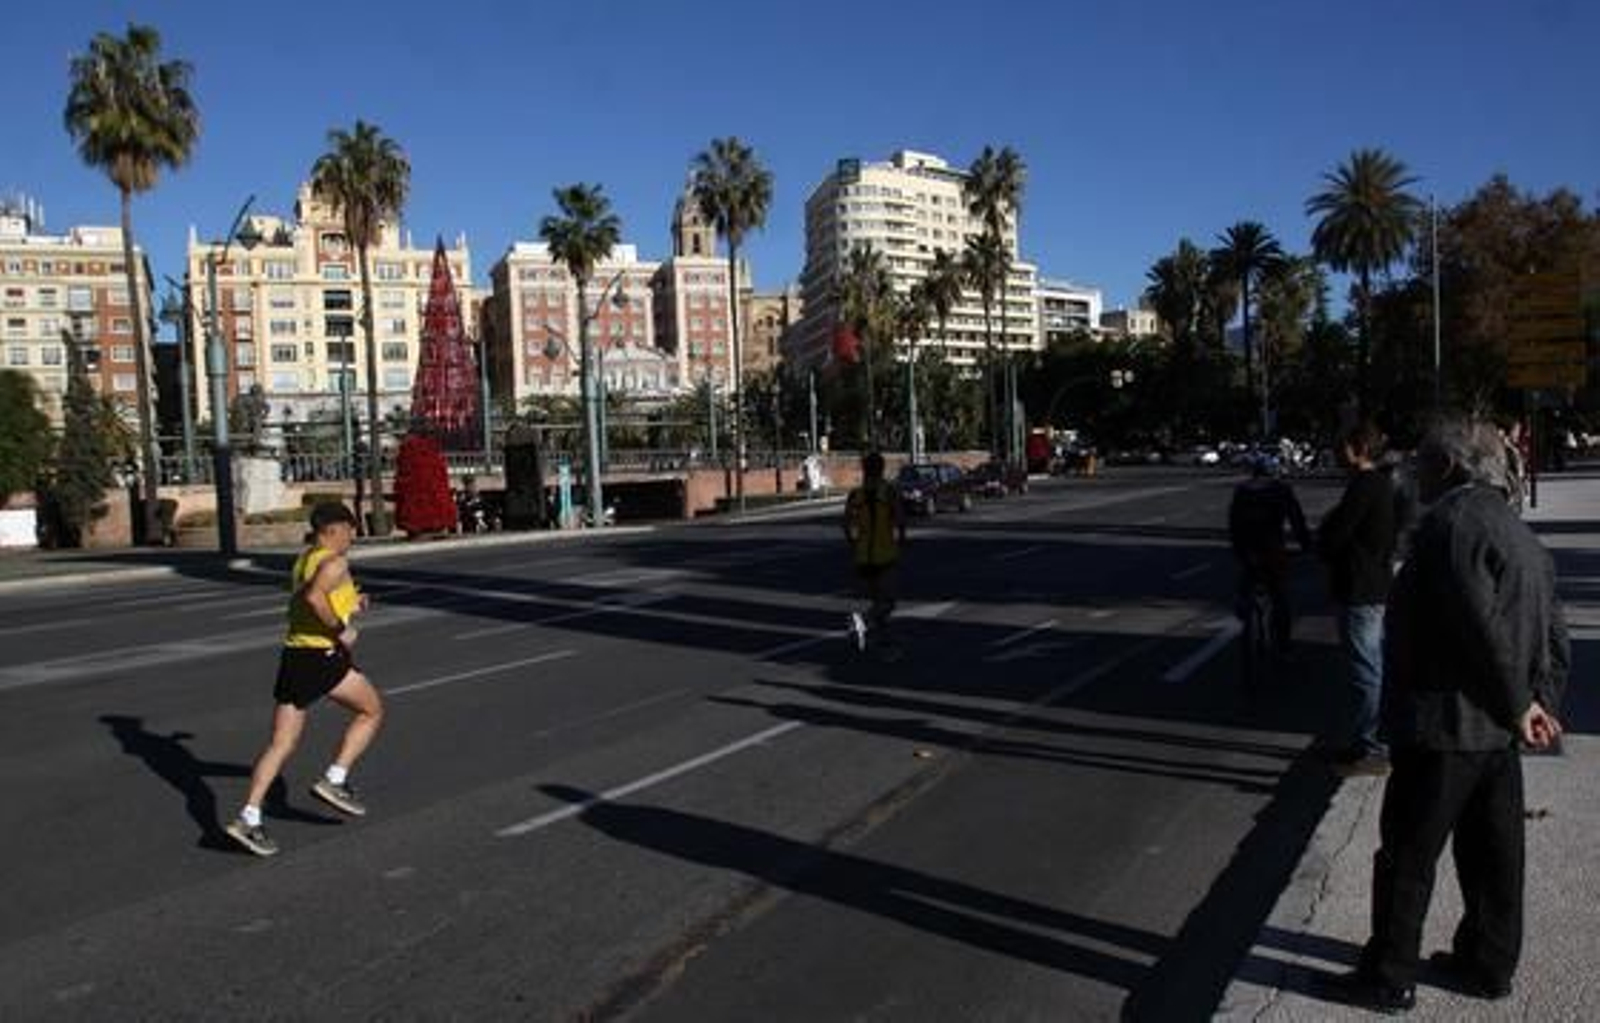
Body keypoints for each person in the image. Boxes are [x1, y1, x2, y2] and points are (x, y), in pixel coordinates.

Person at [1335, 418, 1567, 1013]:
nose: (1413, 474)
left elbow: (1477, 626)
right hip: (1496, 731)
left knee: (1407, 856)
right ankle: (1489, 964)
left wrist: (1518, 705)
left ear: (1448, 468)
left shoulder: (1449, 525)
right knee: (1494, 854)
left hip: (1445, 725)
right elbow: (1553, 630)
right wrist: (1538, 703)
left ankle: (1389, 974)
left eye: (1422, 464)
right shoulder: (1516, 530)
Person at [226, 502, 385, 857]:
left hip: (294, 655)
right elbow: (315, 597)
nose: (353, 537)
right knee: (372, 712)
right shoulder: (334, 561)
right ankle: (335, 779)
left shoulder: (306, 560)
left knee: (281, 743)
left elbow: (311, 597)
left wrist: (352, 603)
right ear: (334, 529)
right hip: (320, 656)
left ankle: (248, 817)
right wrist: (341, 628)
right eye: (351, 529)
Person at [1317, 422, 1399, 775]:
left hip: (1360, 588)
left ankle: (1373, 747)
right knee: (1373, 666)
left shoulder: (1364, 486)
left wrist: (1326, 536)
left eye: (1342, 446)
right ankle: (1368, 741)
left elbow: (1336, 534)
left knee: (1366, 671)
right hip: (1373, 585)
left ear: (1359, 449)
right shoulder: (1379, 485)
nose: (1337, 453)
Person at [1227, 453, 1312, 656]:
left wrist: (1237, 547)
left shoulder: (1241, 491)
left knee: (1247, 577)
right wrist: (1306, 545)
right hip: (1272, 548)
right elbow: (1296, 520)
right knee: (1280, 596)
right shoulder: (1281, 489)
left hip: (1246, 547)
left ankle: (1242, 605)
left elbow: (1233, 523)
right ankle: (1283, 648)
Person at [843, 451, 906, 659]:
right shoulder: (888, 491)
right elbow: (899, 521)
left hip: (863, 557)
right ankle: (862, 620)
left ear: (864, 469)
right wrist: (900, 543)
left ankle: (884, 645)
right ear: (881, 469)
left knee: (878, 600)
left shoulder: (855, 495)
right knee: (888, 602)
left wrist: (854, 545)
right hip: (885, 555)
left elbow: (847, 525)